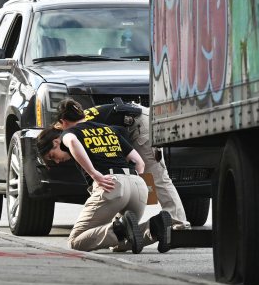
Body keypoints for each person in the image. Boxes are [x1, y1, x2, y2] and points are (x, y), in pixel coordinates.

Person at [36, 117, 173, 254]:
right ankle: (155, 227)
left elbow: (72, 141)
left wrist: (94, 174)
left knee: (75, 241)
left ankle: (122, 228)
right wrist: (133, 182)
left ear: (56, 142)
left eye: (52, 156)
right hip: (138, 185)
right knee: (120, 244)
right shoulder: (107, 129)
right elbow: (139, 163)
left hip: (111, 184)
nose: (57, 162)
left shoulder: (69, 134)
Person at [55, 98, 190, 231]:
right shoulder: (84, 119)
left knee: (157, 176)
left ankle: (178, 221)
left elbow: (122, 133)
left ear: (63, 122)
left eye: (61, 127)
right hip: (133, 122)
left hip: (140, 124)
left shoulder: (80, 129)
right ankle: (124, 224)